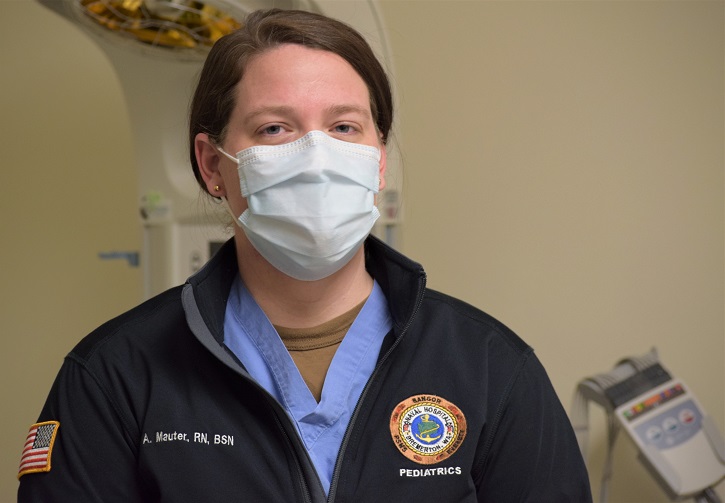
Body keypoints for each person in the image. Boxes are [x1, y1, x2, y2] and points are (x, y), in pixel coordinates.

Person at [18, 8, 591, 502]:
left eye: (344, 126)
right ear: (212, 165)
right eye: (274, 129)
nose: (317, 156)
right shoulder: (114, 377)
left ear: (379, 159)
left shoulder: (491, 369)